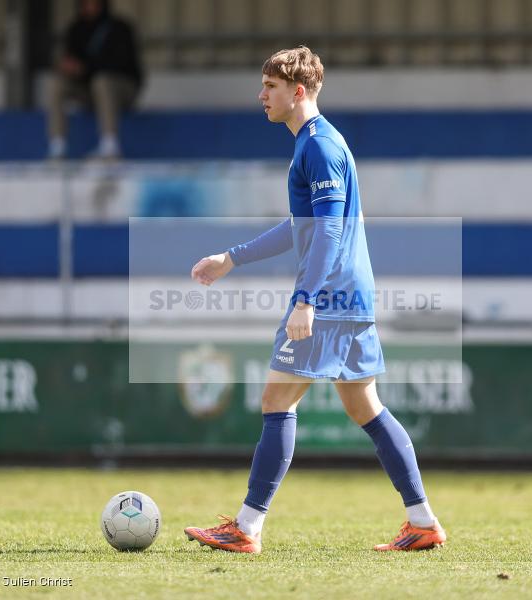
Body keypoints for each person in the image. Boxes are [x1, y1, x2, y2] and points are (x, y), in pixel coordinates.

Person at [185, 47, 446, 553]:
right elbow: (302, 226)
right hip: (352, 295)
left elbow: (328, 230)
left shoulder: (319, 147)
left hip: (329, 297)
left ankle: (246, 528)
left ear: (297, 91)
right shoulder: (318, 144)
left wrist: (307, 299)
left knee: (275, 401)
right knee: (365, 406)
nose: (261, 96)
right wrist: (232, 258)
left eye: (271, 87)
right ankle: (422, 520)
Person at [47, 0, 143, 160]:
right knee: (57, 84)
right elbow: (70, 59)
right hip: (89, 90)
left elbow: (123, 64)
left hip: (122, 90)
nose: (89, 6)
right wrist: (68, 67)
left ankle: (110, 146)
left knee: (102, 81)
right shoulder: (76, 29)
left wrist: (86, 67)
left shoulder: (119, 28)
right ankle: (57, 146)